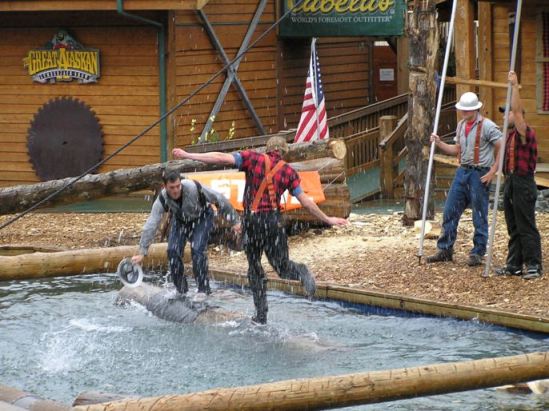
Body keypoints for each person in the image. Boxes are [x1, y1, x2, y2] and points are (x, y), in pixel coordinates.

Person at [172, 136, 348, 324]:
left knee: (254, 268)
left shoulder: (253, 158)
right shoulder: (289, 171)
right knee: (281, 267)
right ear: (284, 152)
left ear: (268, 149)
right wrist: (327, 219)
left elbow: (221, 158)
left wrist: (189, 155)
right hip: (273, 224)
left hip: (253, 223)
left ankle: (261, 315)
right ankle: (300, 271)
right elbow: (305, 201)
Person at [132, 169, 239, 300]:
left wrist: (234, 221)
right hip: (181, 221)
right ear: (165, 187)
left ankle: (203, 290)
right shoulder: (162, 198)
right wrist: (142, 252)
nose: (176, 190)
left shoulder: (192, 187)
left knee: (197, 249)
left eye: (178, 186)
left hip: (202, 218)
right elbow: (151, 224)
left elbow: (219, 198)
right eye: (172, 188)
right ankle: (181, 290)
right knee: (172, 251)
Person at [427, 92, 503, 266]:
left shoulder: (488, 126)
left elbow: (502, 145)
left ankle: (478, 252)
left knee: (479, 214)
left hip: (480, 173)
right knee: (450, 211)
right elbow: (457, 149)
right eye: (463, 110)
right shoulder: (461, 125)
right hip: (462, 171)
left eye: (468, 110)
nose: (464, 113)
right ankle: (445, 249)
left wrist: (493, 171)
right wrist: (439, 143)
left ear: (476, 110)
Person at [495, 71, 542, 280]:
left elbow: (518, 111)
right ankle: (514, 264)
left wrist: (515, 86)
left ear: (517, 114)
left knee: (526, 225)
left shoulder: (525, 132)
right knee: (513, 225)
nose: (505, 116)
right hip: (511, 182)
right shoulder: (509, 135)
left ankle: (534, 265)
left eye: (509, 113)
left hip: (523, 183)